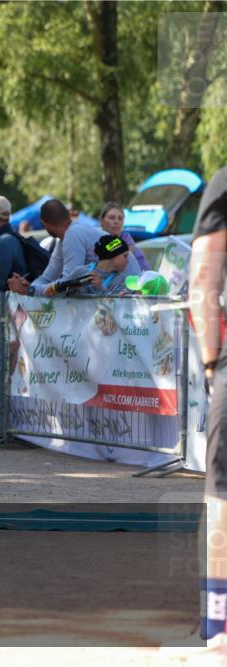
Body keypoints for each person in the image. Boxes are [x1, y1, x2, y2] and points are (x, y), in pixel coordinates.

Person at [190, 166, 227, 645]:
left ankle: (219, 623)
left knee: (222, 493)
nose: (115, 224)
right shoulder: (97, 240)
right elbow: (111, 258)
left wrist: (211, 364)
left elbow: (202, 276)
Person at [8, 199, 124, 297]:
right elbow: (47, 278)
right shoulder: (66, 236)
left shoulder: (73, 235)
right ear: (67, 216)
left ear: (45, 224)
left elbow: (67, 286)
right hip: (116, 294)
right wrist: (29, 286)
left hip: (123, 293)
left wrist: (30, 290)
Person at [69, 234, 137, 296]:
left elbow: (113, 304)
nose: (128, 261)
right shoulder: (80, 272)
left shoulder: (120, 281)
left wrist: (100, 287)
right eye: (125, 256)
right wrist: (71, 288)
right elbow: (63, 297)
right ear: (113, 255)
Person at [99, 202, 150, 271]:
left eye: (120, 218)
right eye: (111, 218)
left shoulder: (133, 250)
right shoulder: (92, 242)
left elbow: (145, 272)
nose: (116, 222)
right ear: (101, 221)